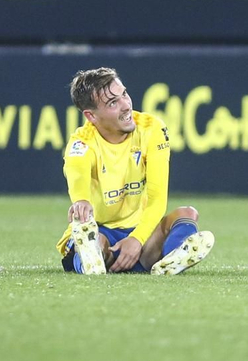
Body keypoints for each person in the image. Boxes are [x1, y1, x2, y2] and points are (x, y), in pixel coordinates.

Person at [59, 67, 216, 275]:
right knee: (95, 238)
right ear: (91, 116)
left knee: (187, 213)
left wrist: (137, 239)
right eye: (113, 103)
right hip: (102, 227)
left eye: (124, 94)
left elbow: (157, 198)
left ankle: (170, 261)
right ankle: (93, 258)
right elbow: (76, 170)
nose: (126, 106)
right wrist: (81, 200)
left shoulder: (152, 129)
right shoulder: (82, 142)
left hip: (140, 232)